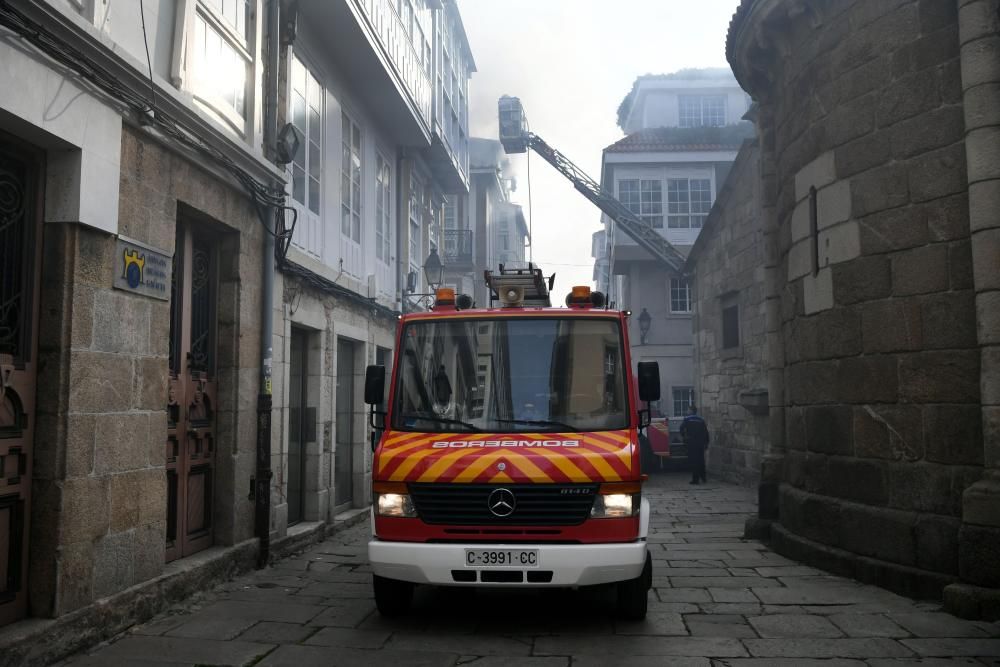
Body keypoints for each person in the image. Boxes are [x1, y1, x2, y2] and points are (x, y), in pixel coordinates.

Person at [680, 405, 709, 484]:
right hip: (700, 443)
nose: (687, 411)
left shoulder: (687, 419)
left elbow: (681, 429)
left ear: (691, 411)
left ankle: (695, 480)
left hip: (692, 442)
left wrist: (684, 437)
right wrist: (706, 443)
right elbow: (706, 432)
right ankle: (703, 477)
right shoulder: (701, 420)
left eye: (688, 410)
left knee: (694, 461)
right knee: (701, 460)